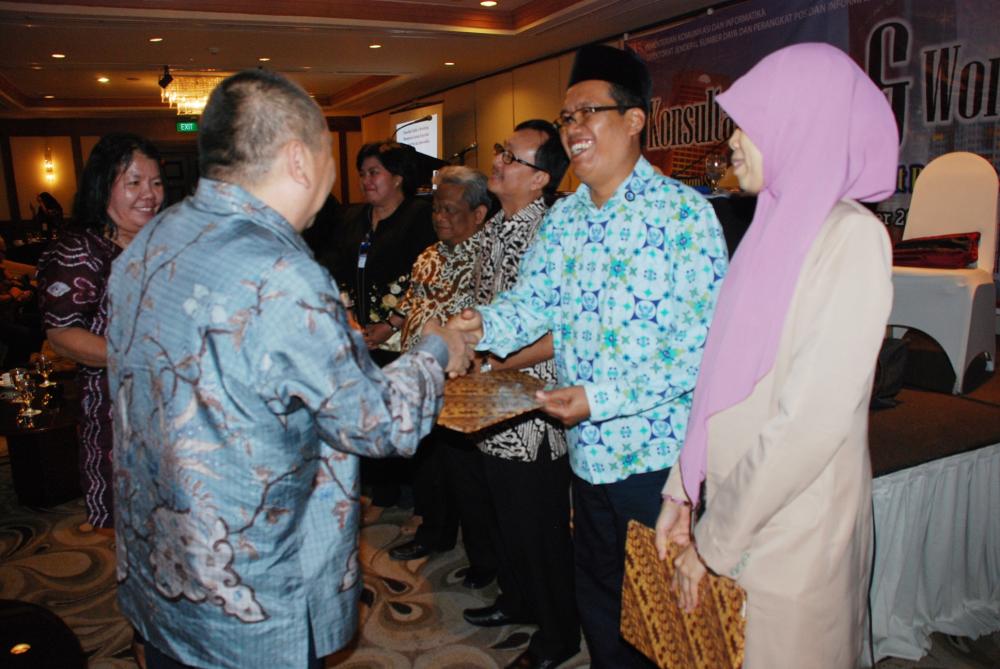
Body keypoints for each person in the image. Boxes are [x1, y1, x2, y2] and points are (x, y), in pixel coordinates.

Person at [105, 69, 472, 669]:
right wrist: (435, 347)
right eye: (330, 155)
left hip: (163, 571)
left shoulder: (153, 236)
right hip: (248, 593)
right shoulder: (281, 274)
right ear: (300, 159)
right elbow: (381, 423)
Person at [447, 44, 728, 668]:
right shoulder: (565, 218)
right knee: (600, 599)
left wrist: (600, 399)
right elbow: (532, 303)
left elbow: (700, 349)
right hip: (586, 455)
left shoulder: (684, 216)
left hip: (658, 462)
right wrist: (481, 324)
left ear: (634, 120)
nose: (573, 127)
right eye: (567, 116)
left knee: (665, 617)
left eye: (588, 112)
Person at [654, 43, 898, 668]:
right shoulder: (769, 226)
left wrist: (712, 542)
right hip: (733, 511)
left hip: (793, 534)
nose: (733, 141)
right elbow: (719, 379)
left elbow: (808, 424)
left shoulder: (851, 238)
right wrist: (682, 491)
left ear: (801, 124)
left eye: (749, 124)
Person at [459, 120, 581, 669]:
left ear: (540, 180)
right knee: (504, 515)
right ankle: (517, 599)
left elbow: (560, 331)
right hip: (490, 400)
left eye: (512, 157)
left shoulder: (550, 234)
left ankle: (558, 635)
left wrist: (490, 361)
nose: (499, 162)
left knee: (539, 528)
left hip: (534, 408)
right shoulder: (494, 228)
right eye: (500, 151)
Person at [36, 132, 165, 534]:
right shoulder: (81, 250)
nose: (149, 194)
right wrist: (140, 358)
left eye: (156, 182)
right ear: (102, 186)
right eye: (134, 182)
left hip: (176, 407)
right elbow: (62, 335)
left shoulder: (160, 243)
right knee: (133, 527)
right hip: (119, 412)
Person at [388, 165, 498, 589]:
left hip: (464, 383)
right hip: (422, 377)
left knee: (467, 477)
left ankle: (484, 561)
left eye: (450, 210)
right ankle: (434, 533)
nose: (439, 217)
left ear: (479, 214)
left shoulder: (487, 260)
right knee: (429, 466)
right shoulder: (429, 255)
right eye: (436, 208)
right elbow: (411, 307)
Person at [316, 141, 436, 511]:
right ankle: (383, 496)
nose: (365, 181)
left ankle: (418, 505)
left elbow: (425, 280)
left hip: (403, 337)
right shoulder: (354, 218)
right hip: (362, 335)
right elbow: (338, 268)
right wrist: (350, 317)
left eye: (374, 173)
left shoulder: (419, 217)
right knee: (371, 412)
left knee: (405, 415)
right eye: (362, 174)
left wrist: (391, 324)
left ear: (397, 178)